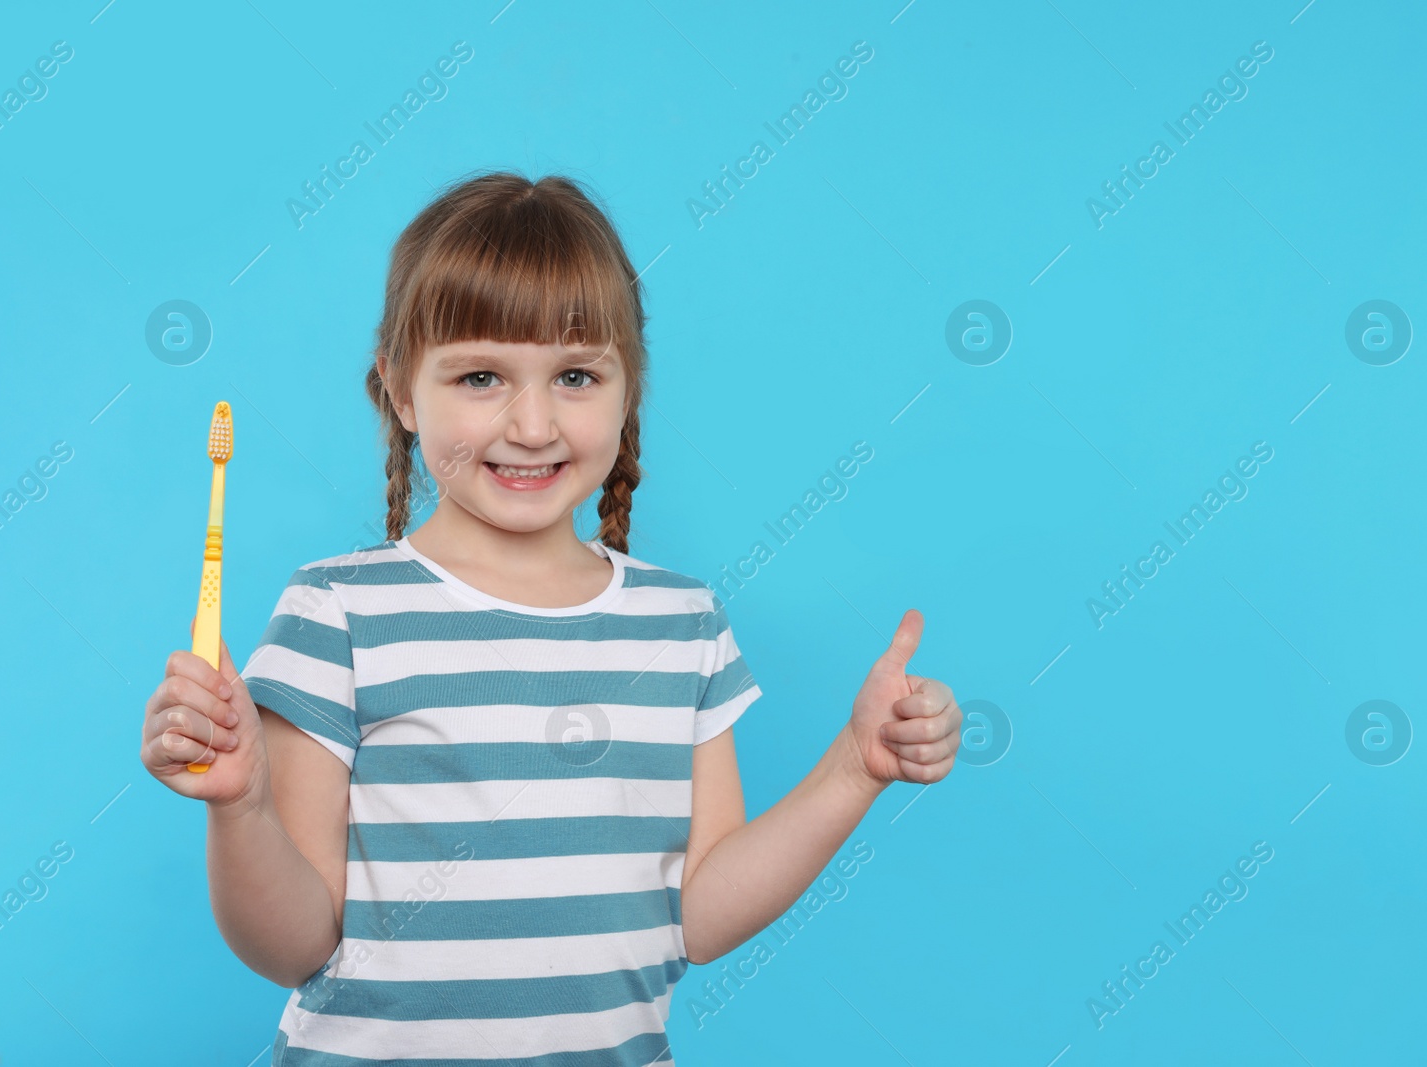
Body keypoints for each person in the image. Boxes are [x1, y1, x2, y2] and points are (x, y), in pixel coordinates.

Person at [138, 171, 963, 1066]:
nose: (532, 424)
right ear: (402, 391)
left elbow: (700, 915)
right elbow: (292, 945)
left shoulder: (682, 624)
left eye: (575, 375)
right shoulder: (339, 612)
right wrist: (243, 809)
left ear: (626, 390)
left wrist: (852, 769)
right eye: (481, 375)